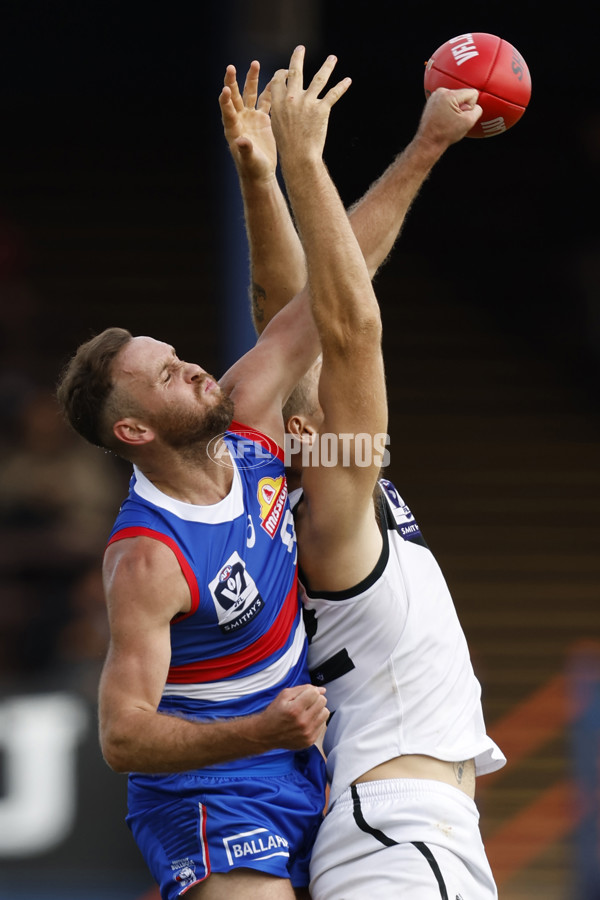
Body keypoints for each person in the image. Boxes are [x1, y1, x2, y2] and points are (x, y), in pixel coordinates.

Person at [55, 49, 358, 900]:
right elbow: (123, 738)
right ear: (134, 428)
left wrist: (287, 169)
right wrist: (263, 726)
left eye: (180, 355)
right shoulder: (147, 558)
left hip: (308, 764)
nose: (193, 369)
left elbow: (321, 298)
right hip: (211, 796)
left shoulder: (254, 433)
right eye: (166, 374)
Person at [224, 48, 506, 899]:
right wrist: (339, 160)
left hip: (399, 829)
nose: (292, 386)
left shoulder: (309, 487)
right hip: (400, 833)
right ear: (302, 433)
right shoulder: (332, 511)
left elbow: (288, 311)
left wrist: (258, 177)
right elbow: (348, 327)